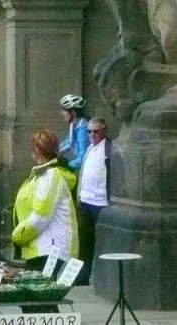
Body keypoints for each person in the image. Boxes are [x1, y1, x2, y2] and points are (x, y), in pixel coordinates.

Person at [11, 130, 78, 269]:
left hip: (48, 248)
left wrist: (18, 236)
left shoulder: (49, 176)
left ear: (36, 150)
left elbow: (41, 216)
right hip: (45, 247)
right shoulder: (45, 174)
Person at [76, 118, 112, 285]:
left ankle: (104, 279)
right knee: (84, 243)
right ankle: (82, 276)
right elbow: (83, 173)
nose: (92, 135)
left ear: (103, 132)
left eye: (95, 131)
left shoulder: (109, 149)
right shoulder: (90, 148)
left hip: (101, 204)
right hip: (86, 201)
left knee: (104, 244)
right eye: (89, 131)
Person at [58, 95, 90, 171]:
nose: (61, 113)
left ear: (73, 112)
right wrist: (54, 150)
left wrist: (67, 166)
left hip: (89, 168)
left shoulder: (83, 127)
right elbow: (69, 142)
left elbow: (83, 157)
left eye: (64, 110)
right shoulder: (74, 124)